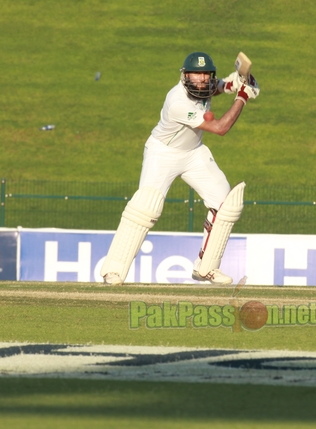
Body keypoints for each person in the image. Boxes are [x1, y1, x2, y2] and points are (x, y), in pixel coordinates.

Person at [100, 52, 259, 286]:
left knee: (225, 203)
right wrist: (242, 96)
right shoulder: (177, 102)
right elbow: (220, 128)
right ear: (185, 76)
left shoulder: (204, 84)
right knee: (146, 206)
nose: (202, 80)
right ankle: (113, 271)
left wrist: (235, 82)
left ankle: (207, 268)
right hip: (162, 153)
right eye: (197, 75)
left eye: (206, 75)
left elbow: (217, 88)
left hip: (194, 152)